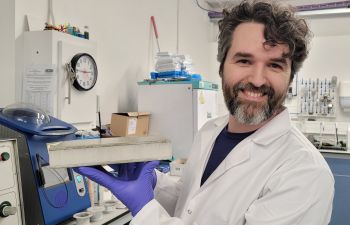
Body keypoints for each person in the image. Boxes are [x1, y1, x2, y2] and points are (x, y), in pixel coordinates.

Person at [75, 0, 334, 224]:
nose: (257, 79)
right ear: (223, 67)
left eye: (275, 65)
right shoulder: (211, 131)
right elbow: (190, 201)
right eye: (244, 60)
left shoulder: (305, 173)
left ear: (290, 77)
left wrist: (144, 210)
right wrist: (152, 183)